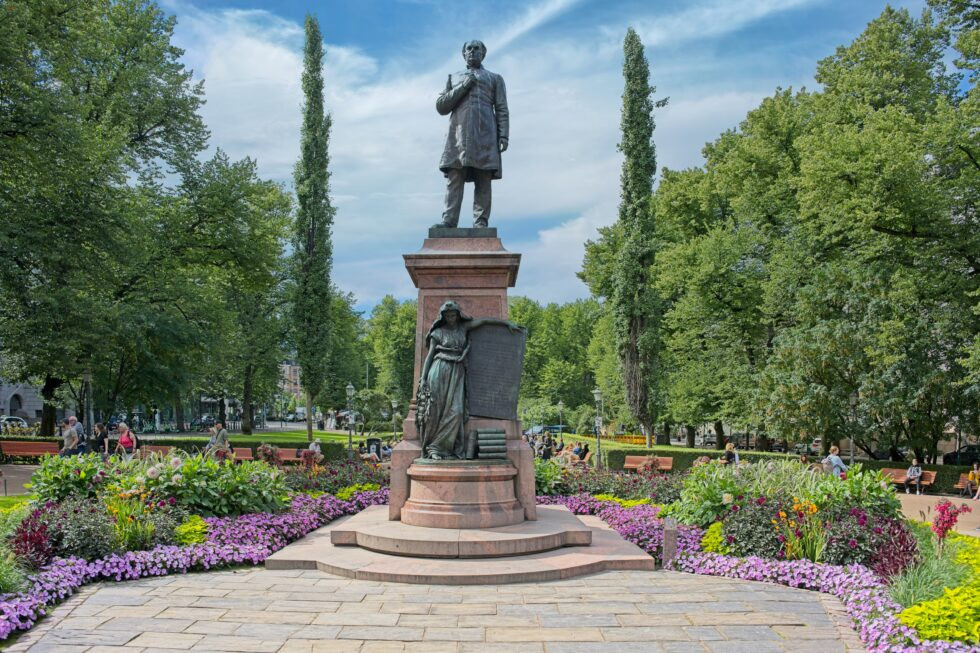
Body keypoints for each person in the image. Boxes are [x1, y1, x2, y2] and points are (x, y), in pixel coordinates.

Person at [416, 300, 520, 459]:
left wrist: (506, 324)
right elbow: (429, 357)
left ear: (458, 316)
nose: (451, 318)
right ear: (443, 317)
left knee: (456, 412)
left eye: (453, 315)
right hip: (439, 370)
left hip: (457, 371)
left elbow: (484, 321)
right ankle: (433, 449)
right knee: (435, 411)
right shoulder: (437, 333)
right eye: (448, 315)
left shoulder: (463, 328)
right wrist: (423, 379)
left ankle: (441, 446)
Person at [433, 40, 509, 229]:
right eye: (469, 49)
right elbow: (441, 106)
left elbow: (501, 108)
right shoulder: (454, 77)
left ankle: (480, 222)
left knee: (483, 178)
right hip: (458, 135)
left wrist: (503, 134)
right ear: (463, 54)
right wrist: (464, 85)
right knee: (454, 177)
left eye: (477, 49)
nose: (473, 51)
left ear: (483, 54)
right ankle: (449, 221)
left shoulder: (495, 78)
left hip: (485, 134)